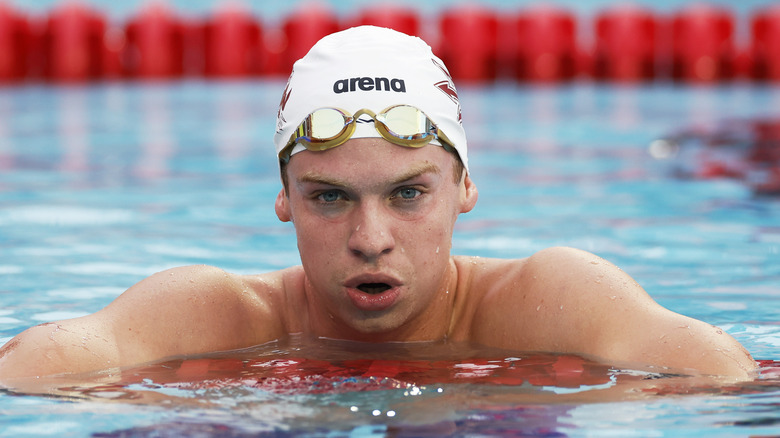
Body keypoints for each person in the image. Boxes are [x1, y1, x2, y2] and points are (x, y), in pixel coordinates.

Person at [0, 26, 756, 382]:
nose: (371, 238)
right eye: (330, 197)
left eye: (408, 194)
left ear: (464, 188)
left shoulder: (550, 302)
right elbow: (37, 367)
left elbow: (724, 378)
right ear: (283, 200)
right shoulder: (217, 316)